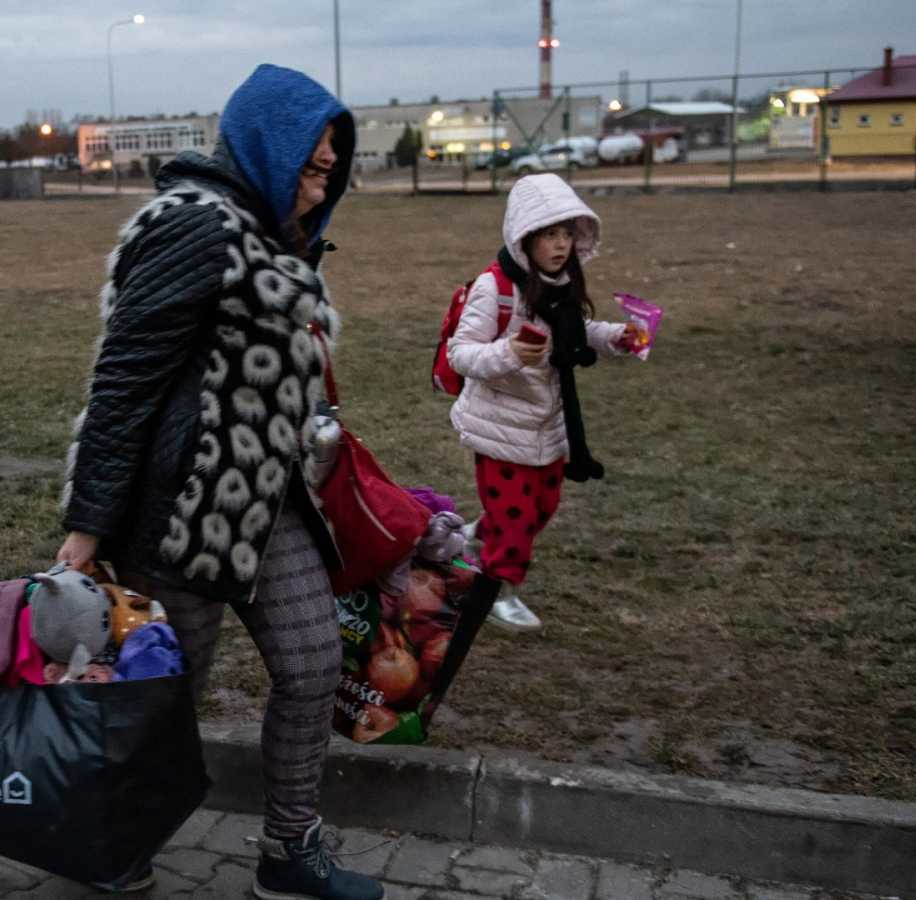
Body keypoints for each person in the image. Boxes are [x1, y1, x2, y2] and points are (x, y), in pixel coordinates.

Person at [57, 64, 382, 900]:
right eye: (311, 168)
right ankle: (114, 842)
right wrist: (87, 530)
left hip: (270, 504)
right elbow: (123, 382)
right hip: (182, 517)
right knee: (167, 703)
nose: (320, 190)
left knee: (313, 664)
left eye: (330, 173)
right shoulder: (195, 227)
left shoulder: (271, 233)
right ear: (267, 147)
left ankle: (288, 852)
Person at [444, 173, 638, 633]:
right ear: (524, 236)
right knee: (515, 521)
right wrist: (508, 353)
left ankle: (473, 541)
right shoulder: (495, 288)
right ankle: (495, 594)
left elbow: (576, 332)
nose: (561, 245)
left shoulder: (561, 284)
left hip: (548, 426)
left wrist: (615, 337)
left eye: (567, 233)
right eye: (550, 234)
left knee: (540, 509)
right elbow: (461, 353)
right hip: (500, 427)